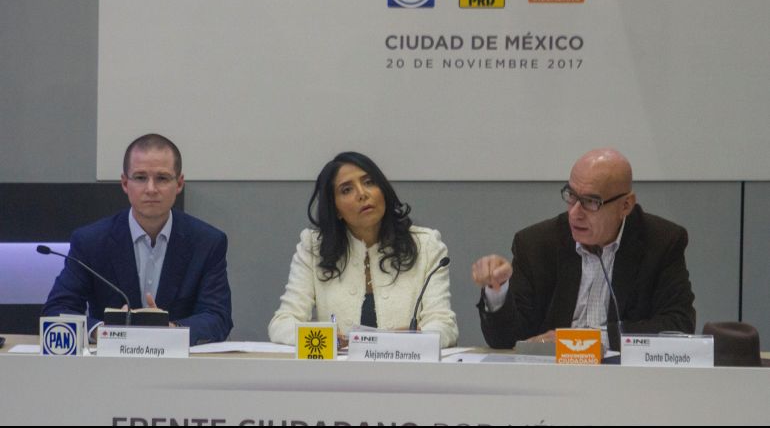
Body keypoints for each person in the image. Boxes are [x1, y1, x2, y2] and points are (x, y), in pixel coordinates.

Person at [472, 148, 695, 351]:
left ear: (626, 205)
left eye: (590, 201)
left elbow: (678, 325)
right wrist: (497, 290)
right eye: (571, 196)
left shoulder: (661, 242)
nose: (575, 213)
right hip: (552, 379)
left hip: (626, 381)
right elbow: (506, 340)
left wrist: (585, 340)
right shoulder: (536, 244)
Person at [43, 134, 233, 346]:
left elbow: (217, 317)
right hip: (108, 368)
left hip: (180, 367)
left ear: (179, 184)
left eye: (162, 178)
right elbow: (58, 310)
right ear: (125, 183)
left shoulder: (207, 242)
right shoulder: (91, 241)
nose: (151, 189)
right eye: (141, 178)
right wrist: (105, 332)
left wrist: (169, 331)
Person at [269, 151, 458, 348]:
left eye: (369, 182)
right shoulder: (313, 248)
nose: (362, 194)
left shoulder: (426, 245)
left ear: (383, 190)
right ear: (336, 210)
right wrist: (324, 340)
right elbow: (282, 324)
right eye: (346, 190)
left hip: (407, 372)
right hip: (337, 377)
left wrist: (414, 341)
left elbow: (444, 325)